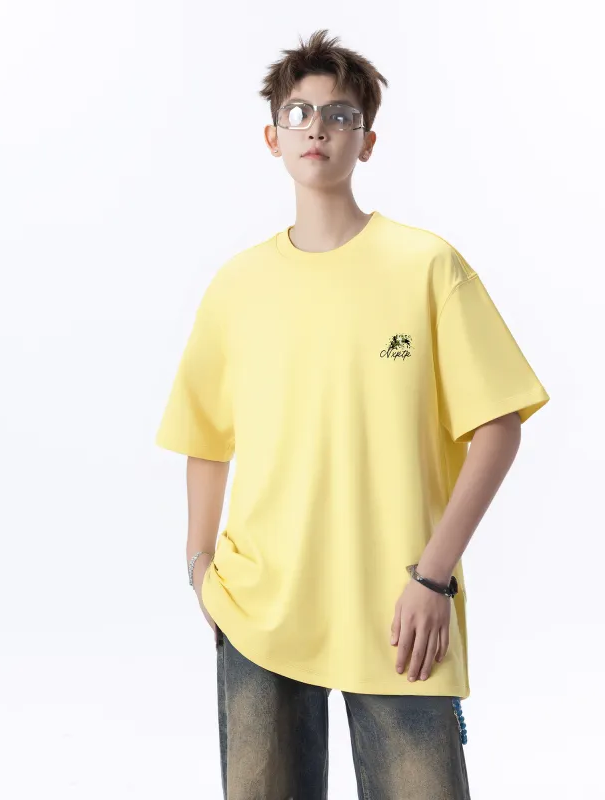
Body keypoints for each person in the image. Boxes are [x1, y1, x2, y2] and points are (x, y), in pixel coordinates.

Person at [155, 28, 550, 800]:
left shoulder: (425, 266)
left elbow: (498, 427)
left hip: (400, 613)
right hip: (260, 608)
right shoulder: (237, 286)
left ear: (366, 142)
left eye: (339, 115)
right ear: (273, 137)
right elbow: (204, 435)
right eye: (299, 113)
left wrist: (433, 578)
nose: (318, 128)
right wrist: (200, 567)